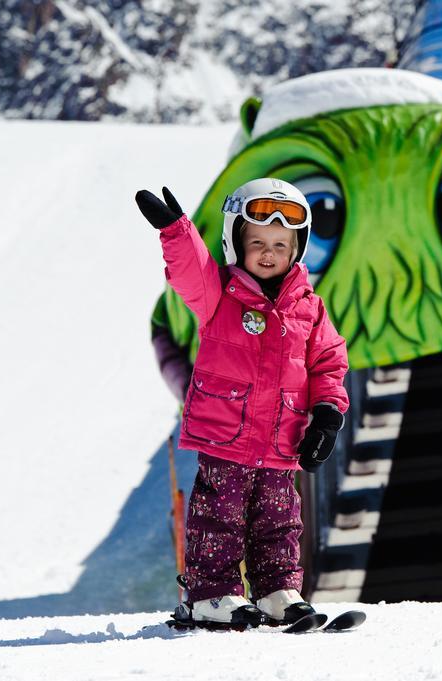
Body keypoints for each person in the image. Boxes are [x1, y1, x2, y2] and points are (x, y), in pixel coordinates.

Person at [135, 178, 349, 628]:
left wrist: (327, 414)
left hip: (281, 440)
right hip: (227, 435)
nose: (268, 253)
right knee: (220, 519)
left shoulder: (309, 307)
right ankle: (213, 595)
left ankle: (277, 591)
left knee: (279, 520)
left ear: (297, 248)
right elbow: (190, 271)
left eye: (279, 243)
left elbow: (329, 361)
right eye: (257, 242)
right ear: (236, 241)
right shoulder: (219, 296)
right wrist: (176, 231)